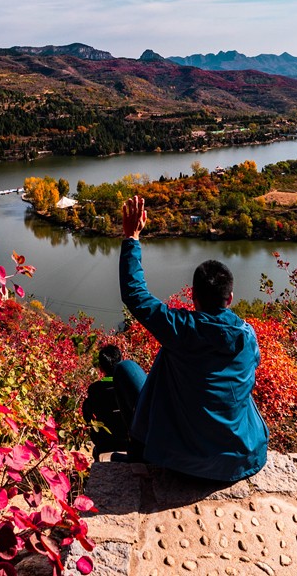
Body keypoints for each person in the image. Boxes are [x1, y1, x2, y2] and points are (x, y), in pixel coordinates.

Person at [117, 195, 269, 481]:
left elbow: (135, 294)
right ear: (231, 298)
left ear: (192, 296)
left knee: (126, 369)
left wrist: (131, 237)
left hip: (182, 461)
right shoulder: (248, 337)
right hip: (240, 460)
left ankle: (138, 453)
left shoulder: (181, 329)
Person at [82, 344, 147, 456]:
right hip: (132, 441)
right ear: (121, 360)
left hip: (105, 443)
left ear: (101, 368)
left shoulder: (94, 389)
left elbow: (88, 417)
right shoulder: (131, 386)